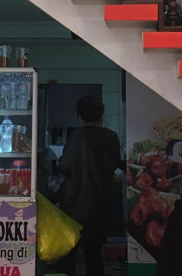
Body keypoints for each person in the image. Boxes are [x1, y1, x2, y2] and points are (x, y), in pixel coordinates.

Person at [56, 96, 123, 276]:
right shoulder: (111, 136)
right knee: (94, 256)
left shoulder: (77, 137)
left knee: (67, 256)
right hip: (102, 205)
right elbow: (115, 163)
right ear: (101, 116)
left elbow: (65, 166)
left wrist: (59, 163)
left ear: (80, 117)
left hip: (76, 206)